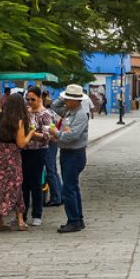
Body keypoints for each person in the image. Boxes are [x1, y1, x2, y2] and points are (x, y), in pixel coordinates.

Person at [0, 93, 32, 231]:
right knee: (15, 187)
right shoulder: (18, 121)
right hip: (12, 158)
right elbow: (21, 143)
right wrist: (31, 133)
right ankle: (20, 221)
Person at [52, 83, 90, 233]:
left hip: (74, 154)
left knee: (68, 188)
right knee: (73, 187)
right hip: (68, 153)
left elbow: (72, 136)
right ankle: (77, 219)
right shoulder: (69, 110)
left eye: (68, 99)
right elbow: (55, 106)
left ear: (76, 100)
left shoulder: (80, 115)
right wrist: (62, 97)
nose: (65, 101)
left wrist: (55, 133)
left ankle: (73, 220)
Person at [23, 86, 57, 226]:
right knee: (23, 183)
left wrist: (32, 134)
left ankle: (37, 214)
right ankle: (22, 214)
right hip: (24, 149)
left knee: (36, 182)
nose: (30, 102)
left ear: (40, 98)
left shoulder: (45, 114)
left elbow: (48, 136)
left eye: (33, 99)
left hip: (39, 151)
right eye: (28, 99)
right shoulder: (26, 112)